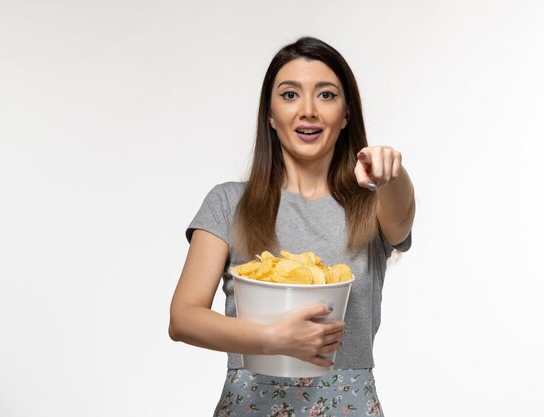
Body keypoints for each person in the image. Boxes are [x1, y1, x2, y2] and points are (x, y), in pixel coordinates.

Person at [169, 36, 415, 416]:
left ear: (346, 114)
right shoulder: (227, 203)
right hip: (250, 404)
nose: (308, 110)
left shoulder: (372, 204)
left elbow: (401, 215)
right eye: (289, 95)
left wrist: (392, 173)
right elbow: (183, 317)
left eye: (327, 95)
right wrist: (272, 338)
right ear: (270, 114)